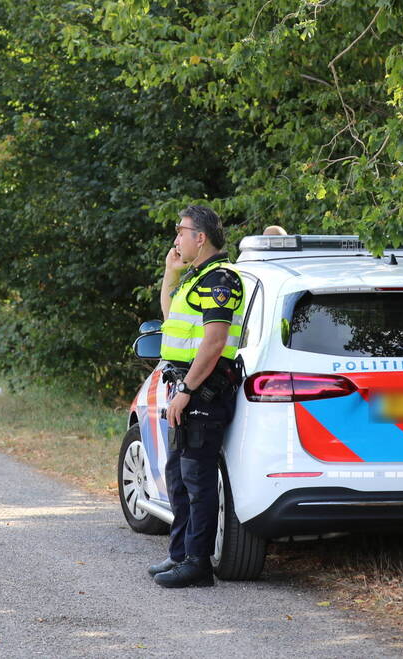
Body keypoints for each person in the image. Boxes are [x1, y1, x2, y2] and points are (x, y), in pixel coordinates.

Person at [148, 205, 245, 588]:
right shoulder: (196, 277)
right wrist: (170, 274)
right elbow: (172, 318)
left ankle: (197, 564)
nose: (176, 240)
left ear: (199, 237)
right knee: (179, 475)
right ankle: (179, 555)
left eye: (180, 232)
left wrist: (187, 390)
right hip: (187, 387)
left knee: (197, 478)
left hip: (203, 390)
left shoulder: (221, 278)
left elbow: (214, 342)